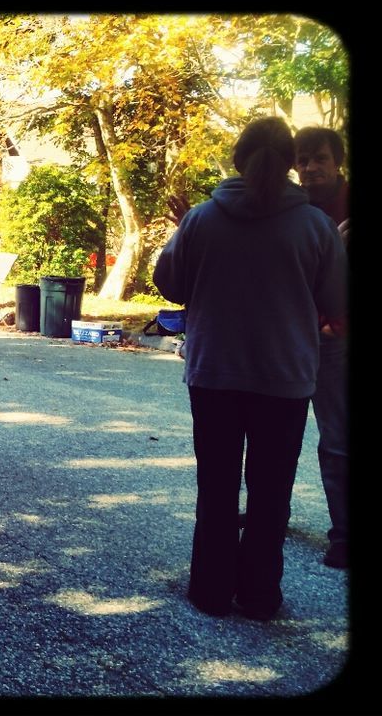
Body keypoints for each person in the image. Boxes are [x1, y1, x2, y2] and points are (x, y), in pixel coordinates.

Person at [152, 117, 346, 620]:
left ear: (238, 158)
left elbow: (169, 283)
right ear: (290, 164)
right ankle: (260, 595)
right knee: (271, 489)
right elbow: (337, 300)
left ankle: (211, 591)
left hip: (215, 371)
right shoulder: (315, 226)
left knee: (216, 485)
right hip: (285, 377)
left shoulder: (201, 218)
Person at [294, 125, 350, 570]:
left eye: (320, 160)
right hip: (290, 339)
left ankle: (345, 536)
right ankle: (268, 515)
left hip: (337, 342)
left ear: (338, 162)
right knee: (275, 435)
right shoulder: (289, 209)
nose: (310, 169)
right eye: (302, 160)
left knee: (338, 440)